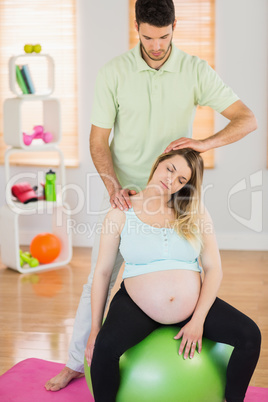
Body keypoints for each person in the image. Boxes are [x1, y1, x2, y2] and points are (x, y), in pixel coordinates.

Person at [45, 0, 257, 391]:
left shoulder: (195, 70)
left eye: (163, 37)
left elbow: (247, 119)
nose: (156, 45)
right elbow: (97, 140)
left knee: (192, 266)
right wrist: (111, 185)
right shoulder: (114, 72)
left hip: (175, 198)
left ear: (175, 27)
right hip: (127, 200)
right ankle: (77, 362)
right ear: (136, 27)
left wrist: (203, 142)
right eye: (147, 37)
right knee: (98, 281)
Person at [85, 148, 261, 402]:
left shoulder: (195, 211)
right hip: (136, 305)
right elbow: (102, 273)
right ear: (158, 164)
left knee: (249, 335)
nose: (171, 180)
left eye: (182, 180)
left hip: (193, 306)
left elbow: (214, 268)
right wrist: (94, 329)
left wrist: (198, 319)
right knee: (104, 349)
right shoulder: (121, 212)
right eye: (170, 169)